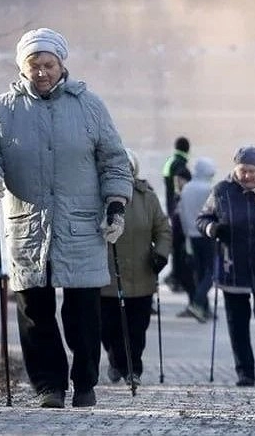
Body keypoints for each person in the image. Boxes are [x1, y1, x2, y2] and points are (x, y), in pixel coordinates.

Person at [0, 27, 134, 409]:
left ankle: (85, 382)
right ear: (22, 67)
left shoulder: (89, 106)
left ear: (62, 65)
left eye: (49, 64)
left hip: (82, 226)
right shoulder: (2, 109)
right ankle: (49, 386)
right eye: (34, 65)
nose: (42, 72)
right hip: (27, 225)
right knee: (34, 311)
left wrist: (115, 204)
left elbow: (114, 160)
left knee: (83, 312)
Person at [196, 146, 255, 387]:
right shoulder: (221, 191)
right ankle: (244, 371)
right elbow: (202, 218)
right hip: (232, 266)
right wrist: (212, 229)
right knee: (237, 322)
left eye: (252, 171)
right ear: (235, 168)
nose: (247, 176)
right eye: (242, 170)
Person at [100, 148, 172, 387]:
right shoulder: (98, 196)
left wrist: (161, 254)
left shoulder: (147, 198)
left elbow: (163, 230)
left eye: (127, 169)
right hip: (107, 277)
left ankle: (133, 369)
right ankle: (116, 361)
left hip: (142, 276)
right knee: (109, 328)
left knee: (137, 329)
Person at [176, 156, 217, 322]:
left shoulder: (186, 189)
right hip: (207, 234)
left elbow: (182, 213)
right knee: (212, 271)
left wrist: (187, 233)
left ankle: (204, 309)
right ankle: (198, 302)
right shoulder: (209, 189)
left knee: (200, 272)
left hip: (192, 235)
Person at [162, 136, 193, 295]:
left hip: (171, 209)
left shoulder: (170, 161)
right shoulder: (180, 166)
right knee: (180, 245)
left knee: (176, 244)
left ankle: (174, 275)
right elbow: (180, 191)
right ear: (187, 149)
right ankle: (177, 277)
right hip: (178, 211)